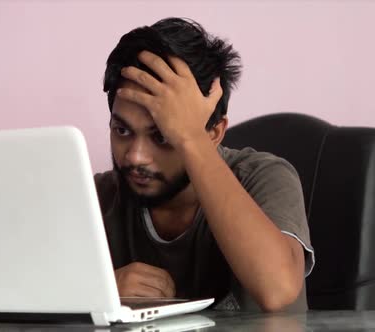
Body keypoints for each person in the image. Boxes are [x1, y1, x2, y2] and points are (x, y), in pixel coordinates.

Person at [95, 17, 314, 312]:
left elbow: (277, 290)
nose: (135, 157)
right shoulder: (96, 197)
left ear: (213, 133)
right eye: (122, 131)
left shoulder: (265, 176)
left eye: (162, 135)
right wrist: (100, 289)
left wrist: (188, 136)